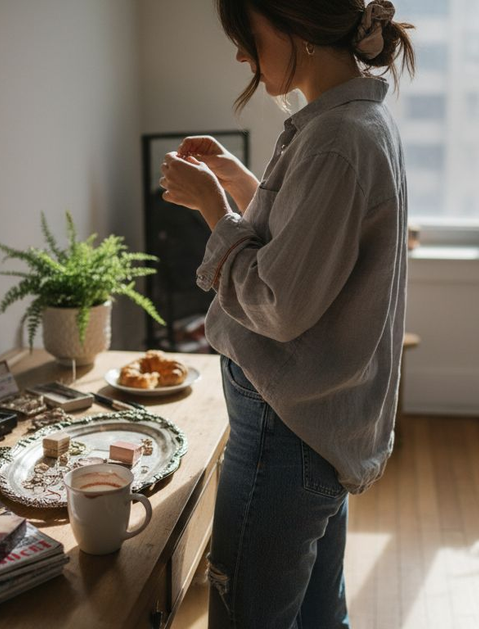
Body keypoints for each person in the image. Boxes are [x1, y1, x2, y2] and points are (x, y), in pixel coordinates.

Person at [158, 1, 413, 626]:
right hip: (310, 426)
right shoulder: (351, 123)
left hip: (284, 431)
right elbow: (309, 242)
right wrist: (241, 183)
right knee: (319, 614)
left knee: (251, 614)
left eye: (248, 38)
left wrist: (213, 210)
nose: (242, 55)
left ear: (293, 28)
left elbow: (276, 304)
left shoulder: (335, 141)